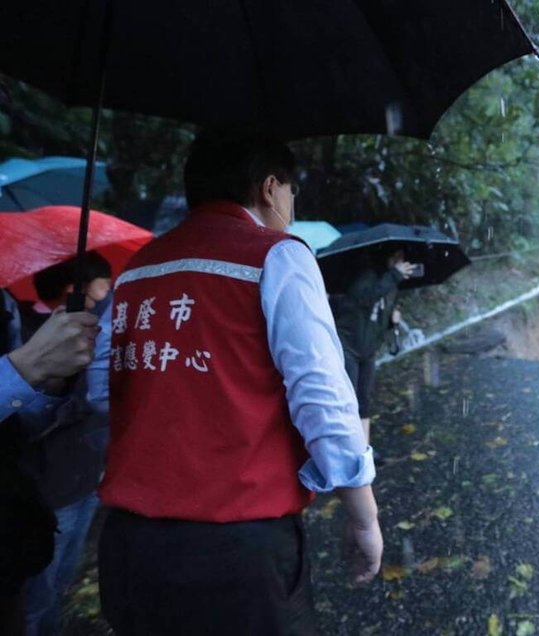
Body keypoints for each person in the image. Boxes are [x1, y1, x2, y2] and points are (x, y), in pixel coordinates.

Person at [97, 130, 382, 636]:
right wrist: (363, 516)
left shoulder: (136, 270)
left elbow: (104, 394)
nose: (292, 206)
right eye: (292, 192)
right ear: (270, 188)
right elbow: (321, 395)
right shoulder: (277, 256)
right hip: (237, 555)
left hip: (131, 550)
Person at [18, 254, 112, 636]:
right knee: (34, 594)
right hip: (45, 487)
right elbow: (22, 422)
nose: (108, 293)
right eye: (104, 284)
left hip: (83, 475)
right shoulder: (23, 332)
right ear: (75, 291)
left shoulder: (90, 330)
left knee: (60, 584)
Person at [0, 290, 99, 636]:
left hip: (13, 534)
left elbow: (17, 423)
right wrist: (27, 366)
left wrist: (50, 383)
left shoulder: (4, 303)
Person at [332, 248, 416, 447]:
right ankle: (348, 449)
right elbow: (363, 300)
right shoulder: (367, 277)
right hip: (349, 346)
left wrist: (391, 322)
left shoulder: (392, 284)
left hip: (368, 350)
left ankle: (364, 449)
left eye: (402, 258)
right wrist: (394, 275)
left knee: (364, 401)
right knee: (348, 400)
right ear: (385, 256)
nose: (399, 261)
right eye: (395, 257)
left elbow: (376, 319)